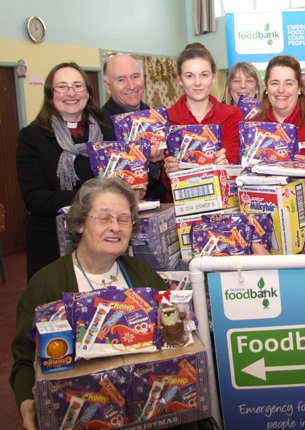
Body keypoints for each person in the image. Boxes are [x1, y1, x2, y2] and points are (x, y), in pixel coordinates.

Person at [10, 178, 167, 430]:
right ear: (80, 223)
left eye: (124, 219)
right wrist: (26, 401)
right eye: (104, 218)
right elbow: (24, 356)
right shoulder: (48, 283)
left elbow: (175, 335)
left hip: (147, 412)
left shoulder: (141, 273)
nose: (115, 227)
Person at [16, 62, 114, 281]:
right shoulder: (32, 136)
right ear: (51, 94)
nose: (71, 93)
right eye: (62, 86)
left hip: (102, 239)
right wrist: (91, 197)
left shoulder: (107, 133)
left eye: (78, 86)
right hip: (50, 243)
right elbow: (34, 198)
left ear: (88, 93)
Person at [162, 48, 241, 195]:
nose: (198, 83)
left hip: (224, 207)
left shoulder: (233, 116)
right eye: (189, 76)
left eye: (204, 75)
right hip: (181, 209)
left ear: (213, 77)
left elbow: (236, 167)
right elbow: (165, 183)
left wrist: (226, 165)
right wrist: (170, 170)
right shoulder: (165, 120)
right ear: (179, 79)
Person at [102, 54, 167, 202]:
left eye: (135, 77)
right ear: (107, 87)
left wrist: (156, 164)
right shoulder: (99, 126)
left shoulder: (155, 117)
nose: (131, 86)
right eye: (121, 80)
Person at [250, 55, 305, 162]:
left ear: (299, 88)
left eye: (288, 83)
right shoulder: (253, 126)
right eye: (274, 83)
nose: (281, 90)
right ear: (267, 88)